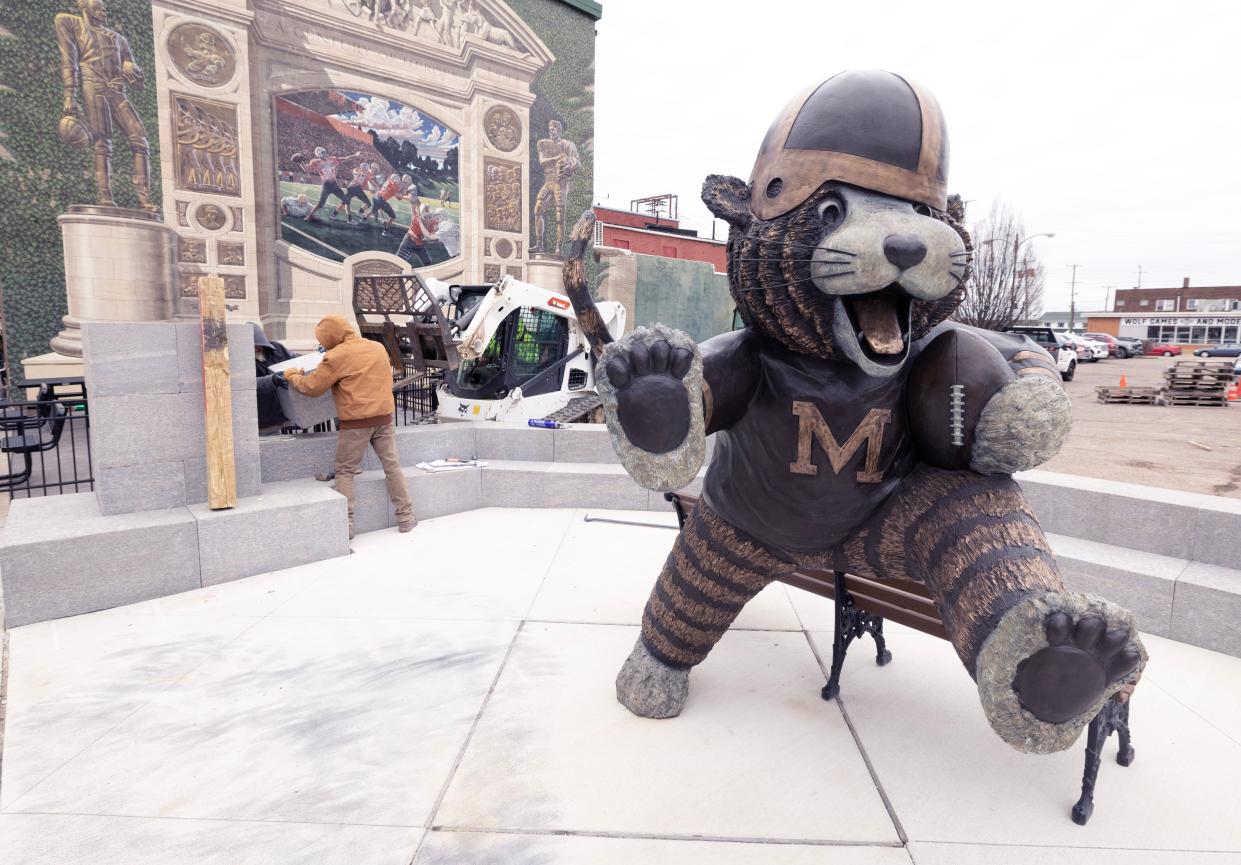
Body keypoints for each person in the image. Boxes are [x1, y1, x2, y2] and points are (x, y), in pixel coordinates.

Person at [279, 315, 416, 537]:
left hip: (355, 424)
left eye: (323, 340)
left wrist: (292, 375)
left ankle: (347, 526)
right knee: (392, 467)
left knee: (345, 471)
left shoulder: (335, 356)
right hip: (384, 419)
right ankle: (406, 518)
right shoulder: (377, 347)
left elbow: (311, 388)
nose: (323, 345)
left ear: (331, 337)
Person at [251, 322, 298, 431]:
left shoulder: (277, 349)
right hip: (265, 423)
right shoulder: (242, 361)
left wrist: (320, 356)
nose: (257, 348)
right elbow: (249, 384)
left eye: (259, 345)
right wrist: (272, 380)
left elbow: (297, 360)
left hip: (285, 417)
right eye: (254, 346)